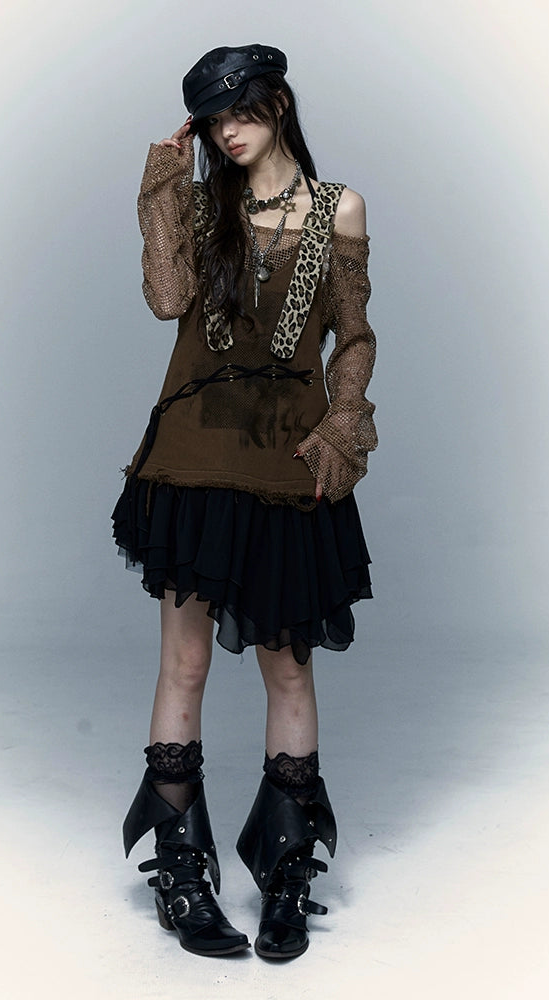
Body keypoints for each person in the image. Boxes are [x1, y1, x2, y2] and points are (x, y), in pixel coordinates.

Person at [112, 43, 377, 960]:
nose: (228, 131)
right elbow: (167, 299)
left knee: (289, 669)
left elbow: (353, 336)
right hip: (191, 459)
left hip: (288, 460)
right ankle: (181, 873)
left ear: (279, 104)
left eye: (241, 111)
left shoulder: (338, 208)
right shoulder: (199, 204)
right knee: (184, 665)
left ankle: (287, 868)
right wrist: (163, 182)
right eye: (213, 119)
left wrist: (344, 422)